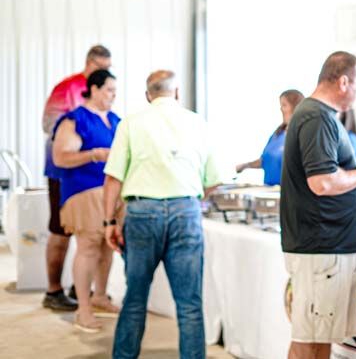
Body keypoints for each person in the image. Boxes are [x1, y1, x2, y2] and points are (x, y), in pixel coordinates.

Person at [103, 70, 227, 359]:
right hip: (185, 212)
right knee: (189, 304)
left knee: (135, 298)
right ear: (177, 93)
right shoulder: (198, 123)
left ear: (148, 95)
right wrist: (190, 199)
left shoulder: (131, 123)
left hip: (142, 213)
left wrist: (109, 222)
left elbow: (113, 178)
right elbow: (215, 179)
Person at [280, 51, 356, 359]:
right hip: (321, 247)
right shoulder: (317, 117)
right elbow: (322, 182)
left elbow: (328, 178)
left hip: (326, 246)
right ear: (343, 82)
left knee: (319, 337)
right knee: (309, 339)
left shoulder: (319, 115)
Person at [41, 44, 112, 311]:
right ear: (89, 63)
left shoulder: (106, 96)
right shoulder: (66, 88)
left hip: (96, 179)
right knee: (61, 231)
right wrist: (80, 134)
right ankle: (53, 290)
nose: (106, 73)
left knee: (94, 237)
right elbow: (49, 124)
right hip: (64, 172)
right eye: (102, 68)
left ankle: (83, 289)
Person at [52, 69, 122, 332]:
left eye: (115, 91)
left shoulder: (115, 120)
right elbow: (61, 158)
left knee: (108, 246)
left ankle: (100, 296)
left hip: (113, 190)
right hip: (84, 191)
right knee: (89, 247)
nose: (113, 96)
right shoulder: (75, 120)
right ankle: (83, 309)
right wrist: (94, 154)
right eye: (109, 90)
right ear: (94, 89)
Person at [236, 89, 304, 185]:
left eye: (284, 105)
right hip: (270, 189)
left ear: (295, 107)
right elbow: (265, 160)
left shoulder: (302, 134)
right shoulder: (277, 134)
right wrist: (245, 165)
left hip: (289, 189)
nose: (281, 109)